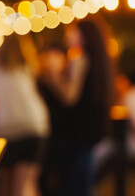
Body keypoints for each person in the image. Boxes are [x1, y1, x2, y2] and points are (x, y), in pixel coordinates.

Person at [40, 20, 114, 196]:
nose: (68, 36)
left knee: (73, 184)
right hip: (89, 132)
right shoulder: (100, 60)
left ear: (83, 36)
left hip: (75, 134)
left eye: (73, 32)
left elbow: (69, 97)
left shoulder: (80, 58)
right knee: (84, 182)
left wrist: (51, 77)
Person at [0, 34, 50, 196]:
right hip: (36, 125)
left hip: (8, 129)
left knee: (6, 184)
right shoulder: (28, 67)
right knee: (27, 184)